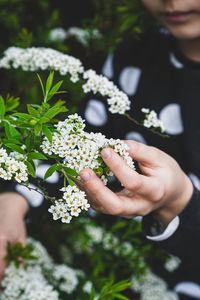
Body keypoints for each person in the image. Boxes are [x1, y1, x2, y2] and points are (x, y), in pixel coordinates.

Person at [1, 0, 200, 297]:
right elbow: (73, 153)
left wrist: (181, 200)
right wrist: (13, 202)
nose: (170, 1)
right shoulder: (131, 58)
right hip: (124, 282)